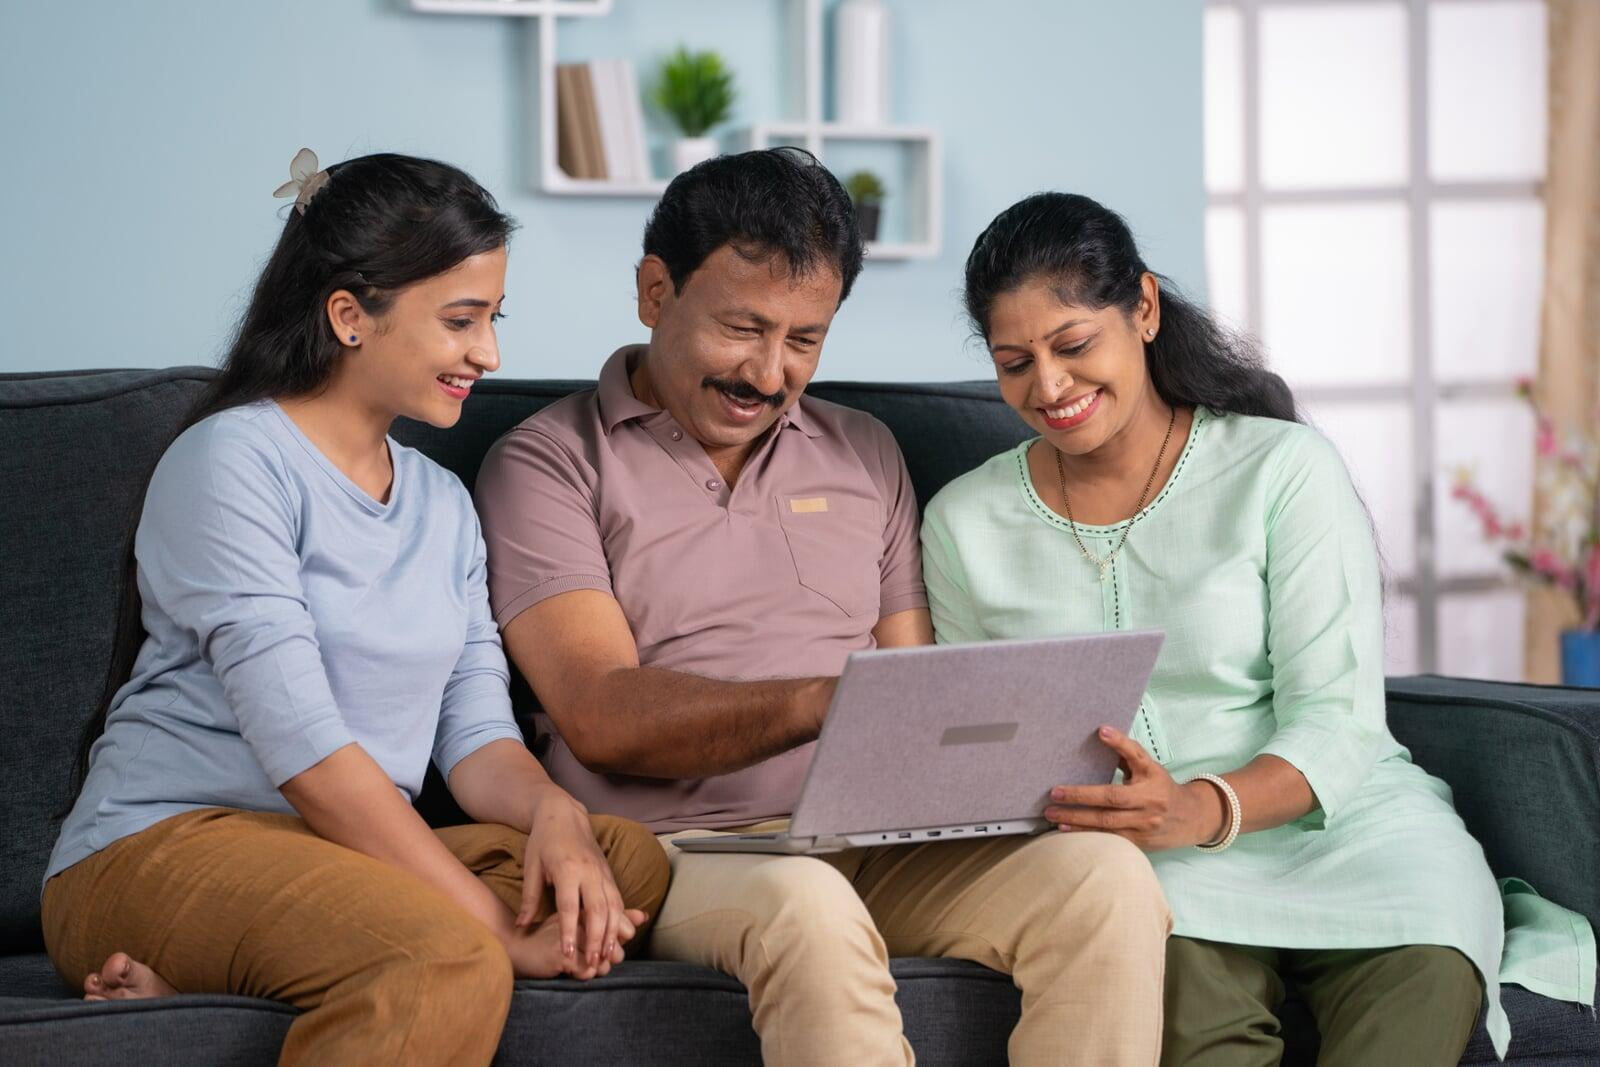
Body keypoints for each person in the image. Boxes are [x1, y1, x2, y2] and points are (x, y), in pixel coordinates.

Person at [474, 149, 1171, 1067]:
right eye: (742, 328)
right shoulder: (550, 462)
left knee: (1107, 879)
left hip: (871, 840)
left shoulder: (864, 453)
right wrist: (819, 702)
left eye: (805, 339)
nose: (768, 372)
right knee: (808, 902)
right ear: (655, 291)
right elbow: (600, 713)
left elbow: (916, 688)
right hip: (679, 853)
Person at [920, 191, 1596, 1064]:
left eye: (1074, 345)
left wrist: (1199, 806)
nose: (1048, 387)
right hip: (1148, 870)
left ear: (1146, 308)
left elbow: (1341, 722)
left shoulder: (1282, 470)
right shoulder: (964, 522)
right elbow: (979, 747)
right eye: (1015, 363)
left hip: (1356, 835)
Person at [42, 150, 670, 1066]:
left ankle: (243, 979)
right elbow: (306, 754)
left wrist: (557, 819)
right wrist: (495, 928)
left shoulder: (441, 503)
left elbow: (476, 738)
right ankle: (330, 956)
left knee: (623, 862)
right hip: (161, 846)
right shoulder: (234, 463)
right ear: (349, 315)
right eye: (461, 321)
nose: (488, 353)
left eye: (494, 318)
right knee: (448, 957)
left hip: (334, 858)